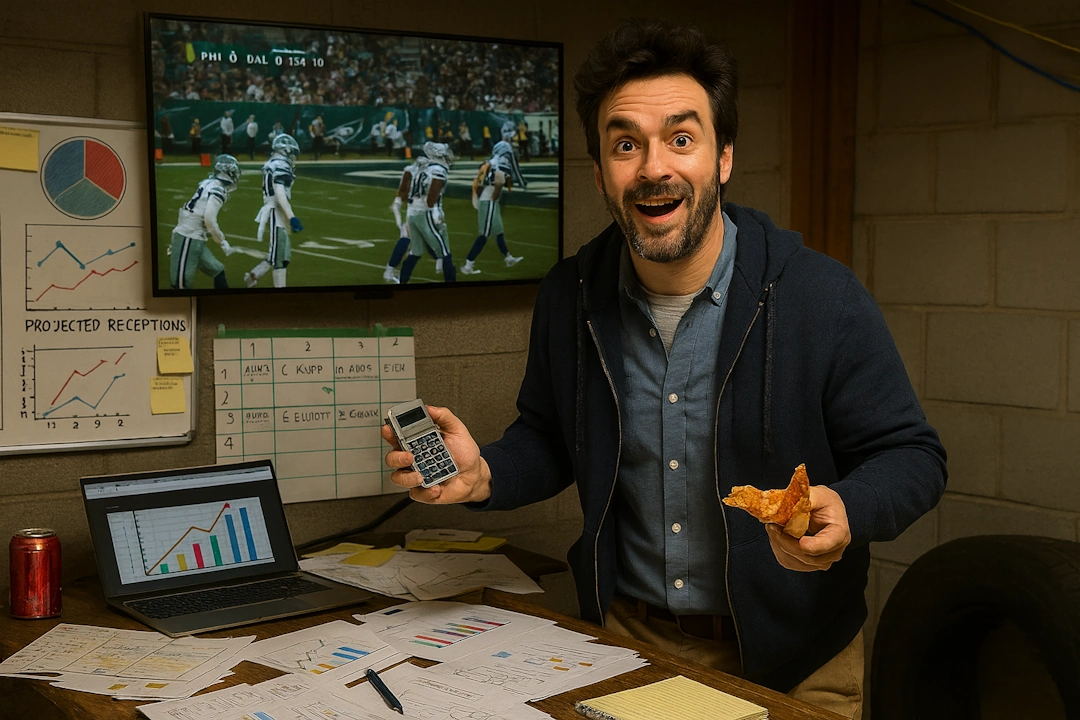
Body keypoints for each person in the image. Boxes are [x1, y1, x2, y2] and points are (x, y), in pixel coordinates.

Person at [381, 19, 946, 720]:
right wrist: (483, 475)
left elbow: (913, 456)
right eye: (626, 144)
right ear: (600, 174)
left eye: (681, 138)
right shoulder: (570, 294)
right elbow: (552, 438)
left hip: (800, 663)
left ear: (723, 158)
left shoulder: (819, 295)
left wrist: (850, 507)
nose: (653, 167)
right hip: (631, 646)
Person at [169, 154, 240, 290]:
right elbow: (209, 219)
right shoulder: (218, 189)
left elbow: (199, 213)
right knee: (180, 284)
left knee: (217, 269)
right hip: (188, 237)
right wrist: (221, 240)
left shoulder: (208, 183)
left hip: (194, 237)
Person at [245, 134, 303, 289]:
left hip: (277, 210)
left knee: (283, 256)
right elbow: (279, 192)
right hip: (276, 211)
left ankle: (254, 275)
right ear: (285, 151)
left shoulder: (273, 163)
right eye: (292, 152)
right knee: (279, 258)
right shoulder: (279, 164)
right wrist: (291, 217)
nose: (293, 156)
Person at [398, 142, 456, 284]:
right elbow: (431, 200)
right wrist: (435, 211)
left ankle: (401, 282)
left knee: (415, 251)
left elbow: (403, 194)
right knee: (444, 252)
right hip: (427, 213)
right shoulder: (438, 170)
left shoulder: (420, 166)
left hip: (412, 212)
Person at [460, 154, 523, 275]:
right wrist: (493, 198)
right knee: (484, 235)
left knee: (498, 231)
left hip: (490, 201)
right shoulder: (500, 168)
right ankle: (468, 265)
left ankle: (508, 258)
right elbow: (498, 186)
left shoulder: (492, 165)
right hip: (489, 202)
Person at [383, 156, 441, 284]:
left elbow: (399, 199)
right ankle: (391, 272)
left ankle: (393, 272)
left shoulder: (412, 173)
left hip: (418, 213)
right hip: (419, 213)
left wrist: (398, 219)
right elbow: (400, 198)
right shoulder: (425, 175)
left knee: (417, 245)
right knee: (412, 242)